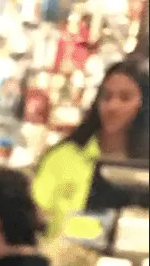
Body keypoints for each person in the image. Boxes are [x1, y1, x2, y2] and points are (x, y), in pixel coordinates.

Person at [32, 58, 149, 240]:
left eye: (125, 98)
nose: (112, 106)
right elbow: (33, 217)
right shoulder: (63, 156)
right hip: (59, 262)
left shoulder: (144, 166)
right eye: (106, 96)